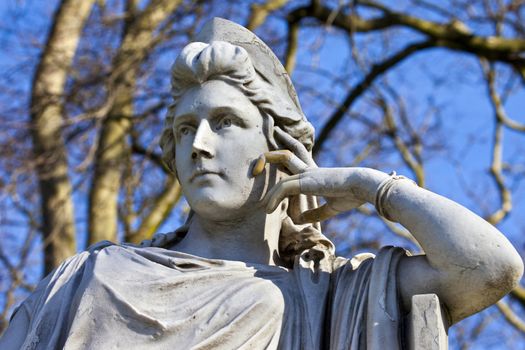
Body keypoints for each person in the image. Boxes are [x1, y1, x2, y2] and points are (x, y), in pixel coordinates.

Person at [1, 18, 522, 350]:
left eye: (225, 122)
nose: (199, 145)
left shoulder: (333, 294)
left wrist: (372, 186)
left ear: (278, 146)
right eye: (185, 129)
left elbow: (490, 268)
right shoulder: (87, 279)